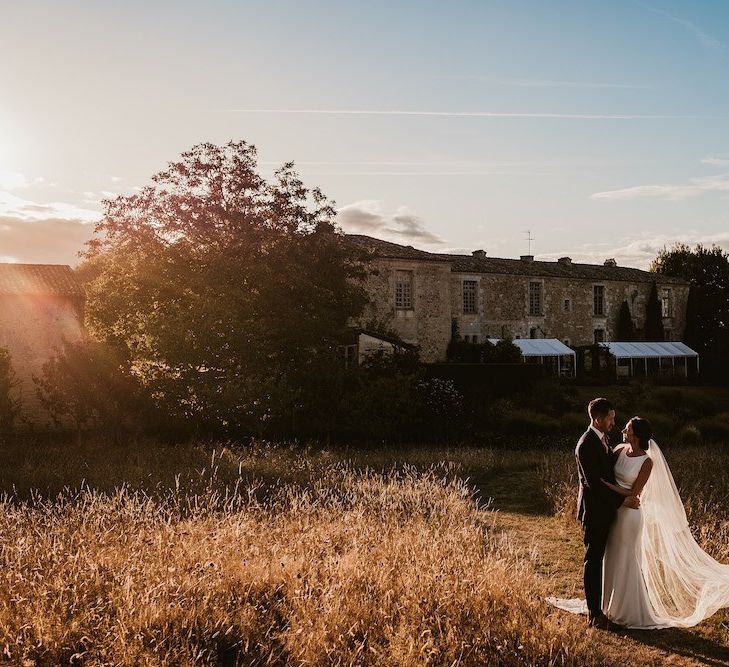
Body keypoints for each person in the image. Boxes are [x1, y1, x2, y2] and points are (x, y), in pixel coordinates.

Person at [549, 411, 729, 630]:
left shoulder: (647, 462)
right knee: (611, 558)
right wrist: (610, 492)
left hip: (630, 516)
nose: (622, 429)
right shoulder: (618, 450)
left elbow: (635, 493)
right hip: (616, 511)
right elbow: (607, 476)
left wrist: (606, 488)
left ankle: (630, 611)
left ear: (637, 434)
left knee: (627, 559)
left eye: (628, 428)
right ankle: (608, 606)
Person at [575, 398, 640, 630]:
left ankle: (603, 607)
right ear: (597, 419)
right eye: (610, 418)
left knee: (601, 558)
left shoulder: (604, 440)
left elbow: (609, 474)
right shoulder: (585, 444)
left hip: (606, 511)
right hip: (593, 512)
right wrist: (623, 499)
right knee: (593, 560)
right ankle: (594, 614)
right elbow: (593, 483)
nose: (614, 422)